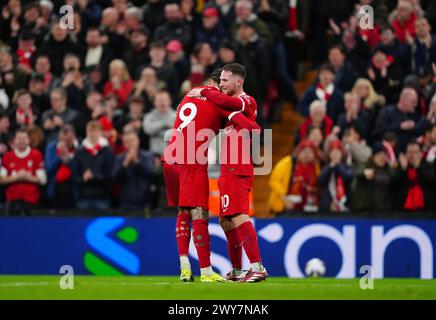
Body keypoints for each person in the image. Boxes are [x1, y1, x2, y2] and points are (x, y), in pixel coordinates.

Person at [162, 68, 259, 283]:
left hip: (170, 156)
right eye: (222, 82)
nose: (224, 86)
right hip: (191, 159)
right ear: (217, 84)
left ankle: (185, 267)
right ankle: (206, 271)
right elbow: (249, 125)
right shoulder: (218, 100)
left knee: (182, 212)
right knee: (199, 214)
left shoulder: (190, 94)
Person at [189, 63, 267, 282]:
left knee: (239, 215)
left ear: (238, 81)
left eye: (224, 80)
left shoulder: (246, 101)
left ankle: (258, 267)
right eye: (220, 80)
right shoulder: (231, 110)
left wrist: (205, 90)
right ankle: (236, 270)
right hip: (227, 166)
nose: (221, 85)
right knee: (226, 220)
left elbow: (224, 101)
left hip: (239, 165)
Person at [0, 127, 46, 215]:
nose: (22, 141)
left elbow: (43, 179)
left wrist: (27, 177)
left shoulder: (36, 155)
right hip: (12, 202)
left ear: (28, 140)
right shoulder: (7, 156)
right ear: (15, 140)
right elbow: (1, 179)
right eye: (19, 138)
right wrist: (17, 177)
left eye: (24, 138)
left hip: (31, 202)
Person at [72, 121, 115, 210]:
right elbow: (75, 174)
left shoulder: (107, 151)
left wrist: (95, 176)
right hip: (83, 195)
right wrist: (83, 178)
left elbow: (110, 174)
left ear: (100, 132)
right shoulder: (80, 152)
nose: (92, 134)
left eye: (95, 131)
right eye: (90, 131)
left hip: (102, 196)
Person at [111, 129, 155, 211]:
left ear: (138, 141)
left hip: (144, 202)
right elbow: (114, 178)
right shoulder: (120, 158)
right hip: (125, 202)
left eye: (132, 141)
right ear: (124, 144)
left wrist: (137, 162)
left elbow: (152, 174)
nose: (130, 144)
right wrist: (125, 164)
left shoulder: (147, 156)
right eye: (127, 141)